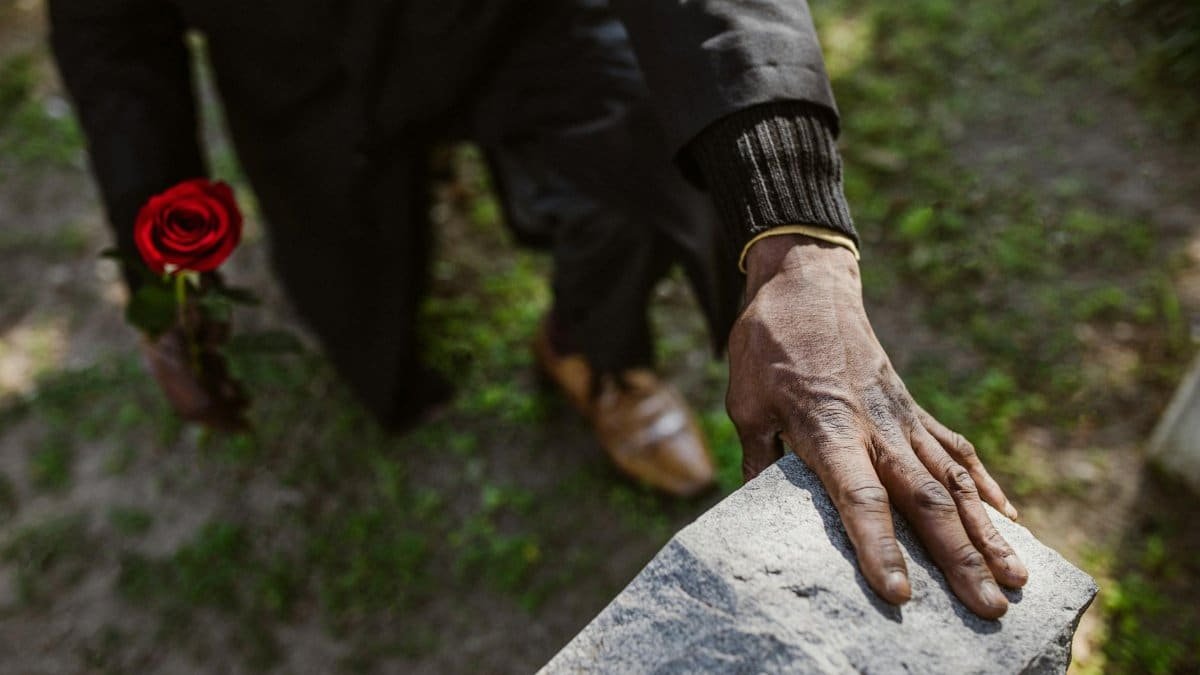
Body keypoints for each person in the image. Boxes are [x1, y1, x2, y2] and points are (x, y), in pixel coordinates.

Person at [48, 0, 1028, 618]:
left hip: (517, 20)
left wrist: (799, 246)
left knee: (649, 166)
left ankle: (593, 352)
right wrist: (160, 260)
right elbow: (110, 34)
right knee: (347, 284)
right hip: (293, 52)